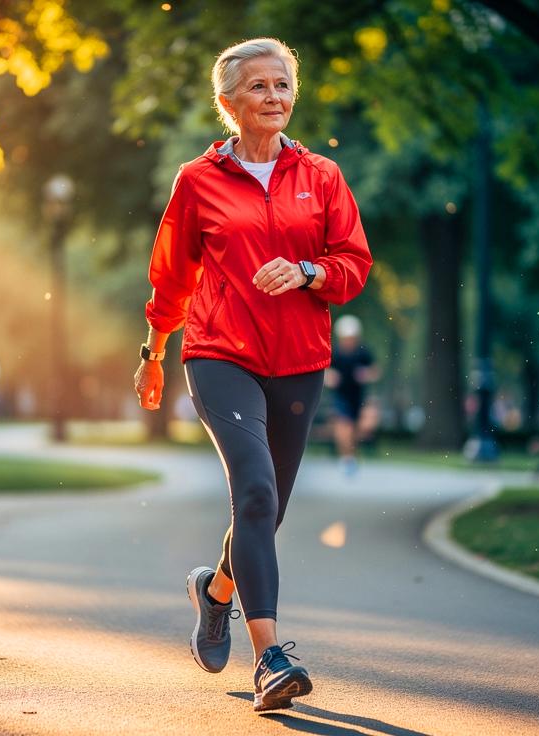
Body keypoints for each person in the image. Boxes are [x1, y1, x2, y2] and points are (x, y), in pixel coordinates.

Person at [131, 38, 373, 713]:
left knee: (266, 510)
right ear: (229, 102)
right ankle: (271, 657)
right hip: (220, 355)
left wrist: (309, 271)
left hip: (299, 361)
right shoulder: (198, 180)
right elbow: (171, 278)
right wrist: (153, 355)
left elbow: (354, 262)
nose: (274, 97)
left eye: (283, 85)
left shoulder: (322, 175)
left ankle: (215, 593)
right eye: (259, 86)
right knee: (257, 492)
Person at [324, 315, 380, 475]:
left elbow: (375, 371)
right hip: (341, 396)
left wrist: (366, 374)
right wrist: (330, 377)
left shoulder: (363, 352)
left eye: (352, 338)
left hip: (359, 397)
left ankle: (352, 454)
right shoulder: (334, 353)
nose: (349, 341)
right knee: (343, 426)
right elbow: (324, 372)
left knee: (361, 428)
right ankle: (346, 458)